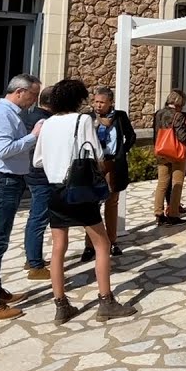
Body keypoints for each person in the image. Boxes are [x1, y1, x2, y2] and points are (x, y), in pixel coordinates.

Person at [33, 78, 138, 325]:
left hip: (55, 191)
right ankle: (106, 300)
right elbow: (98, 155)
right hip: (79, 190)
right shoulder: (83, 121)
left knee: (58, 249)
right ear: (78, 99)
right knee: (101, 244)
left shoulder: (46, 125)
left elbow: (37, 160)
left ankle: (61, 305)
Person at [0, 74, 42, 321]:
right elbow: (3, 150)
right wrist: (33, 136)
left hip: (7, 182)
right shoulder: (2, 115)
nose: (34, 100)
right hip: (1, 183)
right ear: (20, 92)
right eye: (33, 94)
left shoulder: (10, 114)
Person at [79, 86, 136, 261]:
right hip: (93, 164)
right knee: (92, 204)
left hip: (112, 162)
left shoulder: (119, 117)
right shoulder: (88, 118)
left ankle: (112, 241)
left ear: (110, 102)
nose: (98, 105)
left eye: (102, 102)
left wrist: (122, 151)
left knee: (112, 202)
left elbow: (131, 136)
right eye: (96, 101)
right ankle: (90, 245)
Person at [21, 89, 55, 281]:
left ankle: (31, 257)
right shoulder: (46, 122)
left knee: (35, 216)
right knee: (39, 218)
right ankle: (35, 264)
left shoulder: (30, 115)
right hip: (41, 175)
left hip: (31, 173)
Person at [154, 89, 186, 225]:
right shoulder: (178, 116)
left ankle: (159, 214)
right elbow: (182, 136)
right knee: (177, 183)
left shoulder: (158, 114)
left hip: (161, 151)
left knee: (162, 183)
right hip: (176, 153)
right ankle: (173, 214)